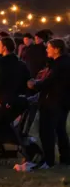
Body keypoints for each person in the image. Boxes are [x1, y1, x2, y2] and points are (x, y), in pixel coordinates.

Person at [0, 37, 33, 171]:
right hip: (17, 100)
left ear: (5, 47)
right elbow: (27, 82)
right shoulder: (21, 63)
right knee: (4, 125)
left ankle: (19, 148)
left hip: (3, 100)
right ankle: (8, 149)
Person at [27, 38, 70, 168]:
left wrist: (34, 85)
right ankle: (65, 158)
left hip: (53, 101)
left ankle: (48, 160)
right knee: (60, 129)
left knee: (47, 131)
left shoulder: (59, 64)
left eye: (49, 47)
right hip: (64, 101)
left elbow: (50, 82)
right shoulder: (65, 62)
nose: (46, 49)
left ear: (57, 49)